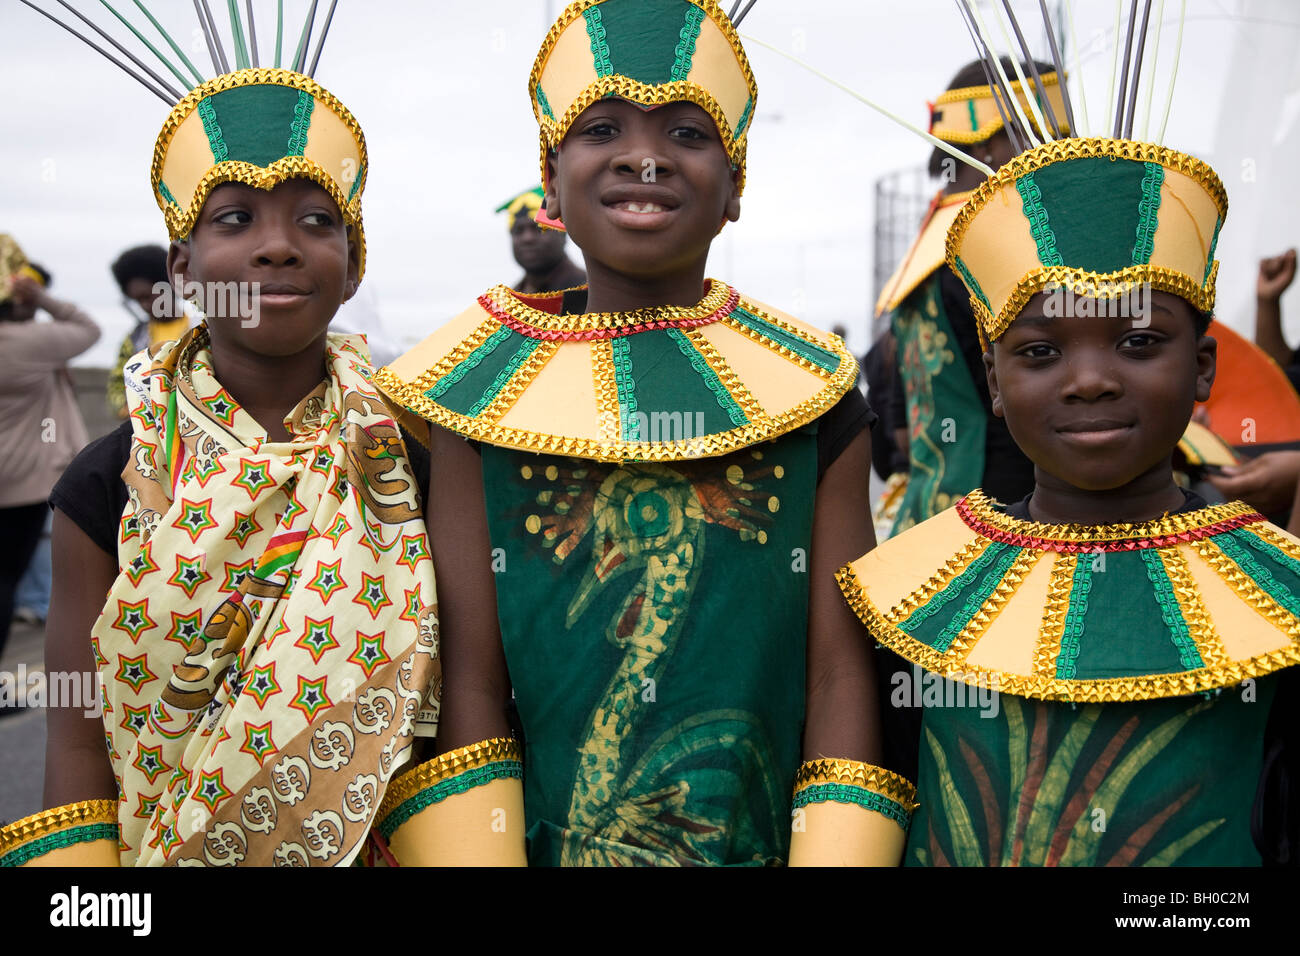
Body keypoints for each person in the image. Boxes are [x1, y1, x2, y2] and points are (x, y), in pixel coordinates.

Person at [374, 0, 913, 867]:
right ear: (550, 184)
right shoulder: (474, 401)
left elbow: (838, 676)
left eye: (689, 133)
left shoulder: (815, 399)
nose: (644, 155)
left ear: (735, 188)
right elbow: (470, 679)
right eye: (602, 128)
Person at [840, 29, 1299, 865]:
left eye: (1134, 342)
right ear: (995, 374)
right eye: (1041, 351)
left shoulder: (1283, 606)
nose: (1088, 380)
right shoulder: (903, 607)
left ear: (1202, 370)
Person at [0, 10, 438, 867]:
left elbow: (452, 721)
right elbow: (79, 742)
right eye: (234, 219)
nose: (278, 248)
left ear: (352, 269)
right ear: (183, 269)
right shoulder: (105, 482)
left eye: (317, 222)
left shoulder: (411, 461)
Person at [877, 59, 1065, 538]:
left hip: (925, 526)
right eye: (1045, 135)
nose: (1062, 153)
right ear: (987, 144)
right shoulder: (1009, 254)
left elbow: (901, 432)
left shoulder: (924, 257)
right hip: (1010, 529)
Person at [0, 246, 98, 663]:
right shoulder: (27, 341)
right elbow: (87, 328)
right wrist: (40, 298)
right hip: (20, 484)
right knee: (5, 578)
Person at [106, 244, 187, 419]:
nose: (144, 305)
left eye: (148, 296)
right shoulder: (134, 340)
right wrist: (126, 408)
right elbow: (117, 384)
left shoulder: (203, 327)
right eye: (137, 300)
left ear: (170, 285)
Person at [498, 185, 586, 293]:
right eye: (518, 230)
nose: (527, 238)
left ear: (563, 234)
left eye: (539, 229)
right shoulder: (508, 300)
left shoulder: (590, 293)